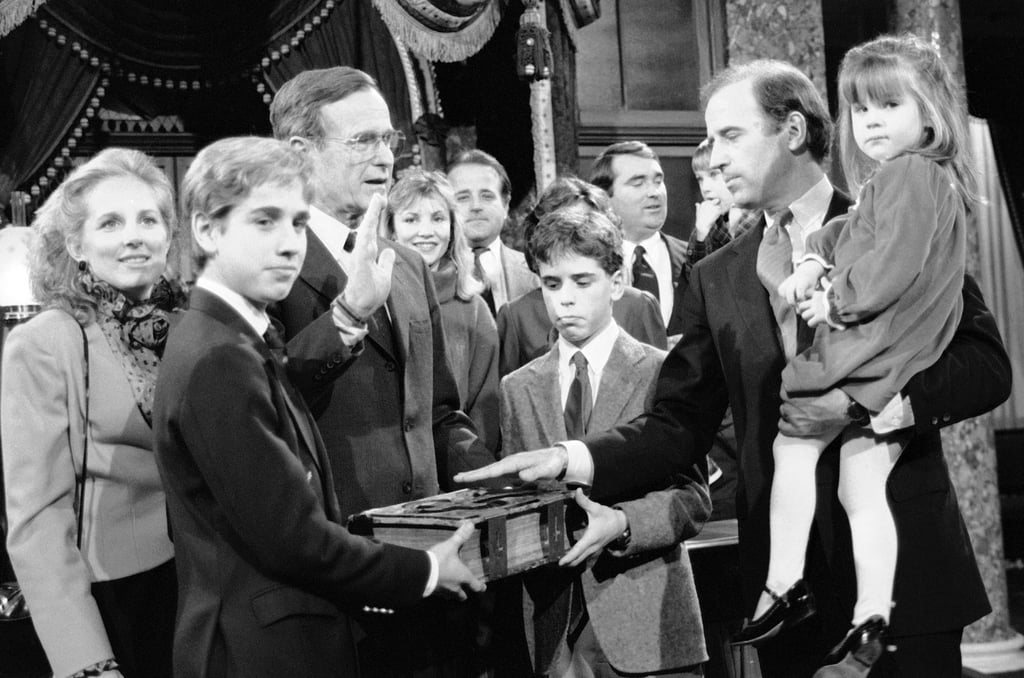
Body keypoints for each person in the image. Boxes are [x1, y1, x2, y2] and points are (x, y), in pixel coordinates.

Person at [456, 58, 1011, 678]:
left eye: (730, 136)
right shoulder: (716, 275)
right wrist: (570, 458)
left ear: (793, 131)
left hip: (907, 572)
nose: (711, 158)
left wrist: (873, 406)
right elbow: (677, 424)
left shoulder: (896, 215)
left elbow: (985, 365)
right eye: (708, 139)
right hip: (787, 600)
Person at [152, 136, 484, 678]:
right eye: (264, 222)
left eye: (298, 224)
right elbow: (294, 539)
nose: (289, 245)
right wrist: (424, 569)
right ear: (207, 231)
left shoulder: (233, 339)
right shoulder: (217, 355)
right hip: (258, 650)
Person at [737, 33, 978, 668]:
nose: (870, 121)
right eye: (861, 110)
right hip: (885, 358)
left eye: (888, 107)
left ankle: (783, 583)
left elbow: (894, 271)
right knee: (856, 485)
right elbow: (859, 229)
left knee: (795, 443)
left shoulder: (907, 175)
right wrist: (818, 252)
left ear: (929, 113)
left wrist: (834, 301)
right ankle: (869, 613)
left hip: (875, 358)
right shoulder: (902, 185)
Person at [268, 66, 495, 677]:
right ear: (300, 152)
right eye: (362, 141)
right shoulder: (268, 267)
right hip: (339, 575)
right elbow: (265, 406)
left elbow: (439, 408)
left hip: (432, 564)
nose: (384, 156)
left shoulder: (407, 264)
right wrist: (347, 317)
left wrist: (491, 472)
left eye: (389, 140)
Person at [502, 206, 710, 678]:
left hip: (648, 619)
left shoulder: (661, 372)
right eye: (552, 284)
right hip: (555, 625)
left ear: (616, 283)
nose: (564, 301)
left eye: (582, 281)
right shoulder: (519, 387)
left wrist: (621, 523)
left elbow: (694, 499)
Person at [2, 148, 185, 678]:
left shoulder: (190, 327)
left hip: (206, 587)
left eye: (149, 219)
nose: (135, 235)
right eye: (111, 223)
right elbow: (37, 518)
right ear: (76, 244)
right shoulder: (46, 341)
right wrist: (85, 660)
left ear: (169, 234)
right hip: (118, 600)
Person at [495, 175, 667, 377]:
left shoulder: (639, 305)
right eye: (560, 228)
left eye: (587, 227)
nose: (573, 239)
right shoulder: (516, 315)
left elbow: (658, 381)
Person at [387, 169, 500, 452]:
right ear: (391, 230)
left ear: (452, 229)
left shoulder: (474, 310)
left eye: (438, 218)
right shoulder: (376, 302)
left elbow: (485, 409)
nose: (426, 232)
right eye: (411, 219)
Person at [589, 141, 689, 339]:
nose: (654, 192)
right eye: (638, 182)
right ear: (605, 197)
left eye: (658, 181)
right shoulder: (589, 265)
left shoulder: (696, 259)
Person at [448, 149, 538, 314]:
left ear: (506, 205)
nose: (476, 206)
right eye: (463, 197)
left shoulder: (537, 272)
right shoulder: (429, 275)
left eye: (487, 196)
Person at [688, 138, 750, 266]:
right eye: (700, 179)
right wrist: (701, 235)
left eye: (713, 175)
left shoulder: (763, 216)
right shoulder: (706, 224)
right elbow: (693, 282)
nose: (705, 188)